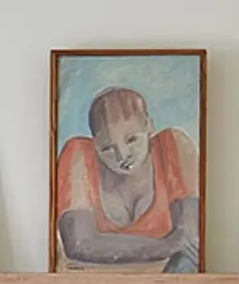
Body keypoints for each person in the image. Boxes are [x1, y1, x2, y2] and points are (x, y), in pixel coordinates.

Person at [56, 86, 200, 271]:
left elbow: (190, 238)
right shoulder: (79, 155)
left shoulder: (172, 146)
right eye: (107, 148)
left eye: (132, 139)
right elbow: (79, 244)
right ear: (95, 144)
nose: (123, 156)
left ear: (149, 126)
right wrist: (166, 246)